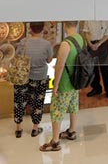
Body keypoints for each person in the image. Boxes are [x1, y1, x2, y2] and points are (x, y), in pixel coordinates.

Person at [39, 21, 83, 152]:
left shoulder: (66, 44)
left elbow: (60, 66)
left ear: (65, 25)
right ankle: (72, 131)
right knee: (73, 105)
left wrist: (55, 85)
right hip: (75, 81)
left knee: (57, 110)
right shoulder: (80, 38)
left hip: (65, 83)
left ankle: (55, 141)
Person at [13, 22, 53, 138]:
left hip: (23, 76)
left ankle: (19, 129)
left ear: (30, 29)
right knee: (37, 102)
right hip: (40, 77)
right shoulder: (46, 44)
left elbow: (17, 56)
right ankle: (35, 128)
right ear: (42, 29)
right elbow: (49, 60)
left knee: (19, 101)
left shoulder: (23, 42)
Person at [82, 20, 108, 98]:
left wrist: (99, 43)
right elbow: (85, 31)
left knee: (105, 67)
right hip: (91, 43)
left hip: (103, 43)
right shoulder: (89, 17)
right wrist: (90, 43)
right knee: (92, 68)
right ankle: (96, 88)